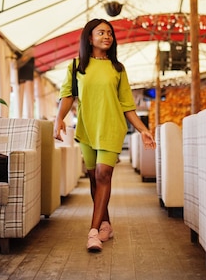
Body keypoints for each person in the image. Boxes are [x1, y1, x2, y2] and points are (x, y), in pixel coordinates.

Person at [53, 18, 156, 252]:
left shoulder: (118, 69)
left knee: (102, 175)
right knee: (94, 179)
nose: (107, 36)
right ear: (89, 37)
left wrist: (143, 130)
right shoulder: (76, 66)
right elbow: (68, 95)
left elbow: (127, 105)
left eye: (109, 33)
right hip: (88, 129)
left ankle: (93, 232)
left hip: (111, 127)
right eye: (101, 33)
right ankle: (106, 224)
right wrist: (59, 119)